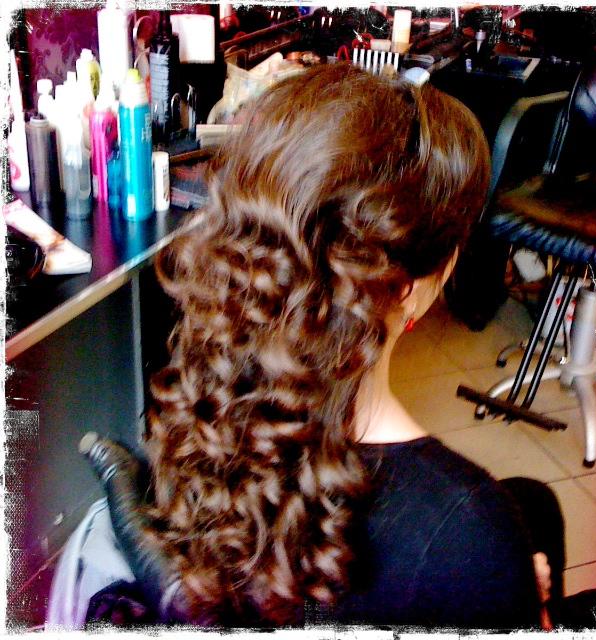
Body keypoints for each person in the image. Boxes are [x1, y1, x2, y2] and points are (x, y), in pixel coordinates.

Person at [66, 63, 566, 629]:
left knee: (535, 503)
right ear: (414, 287)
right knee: (533, 512)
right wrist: (524, 600)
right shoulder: (471, 537)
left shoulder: (197, 409)